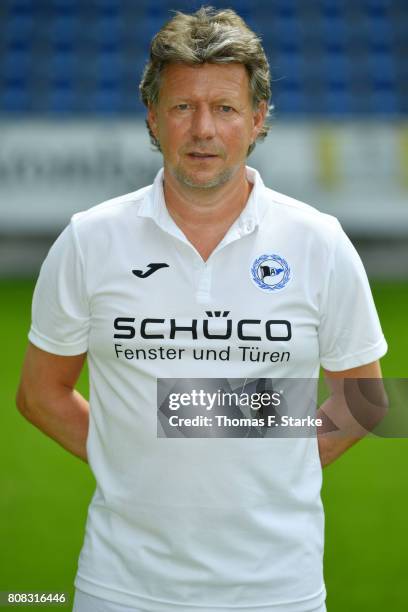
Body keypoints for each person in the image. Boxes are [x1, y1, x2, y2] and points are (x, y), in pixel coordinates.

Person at [16, 7, 387, 612]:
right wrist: (132, 455)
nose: (203, 129)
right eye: (183, 107)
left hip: (278, 590)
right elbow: (40, 394)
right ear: (153, 118)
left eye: (225, 108)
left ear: (258, 118)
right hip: (120, 586)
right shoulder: (90, 238)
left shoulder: (318, 240)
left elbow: (367, 399)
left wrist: (265, 449)